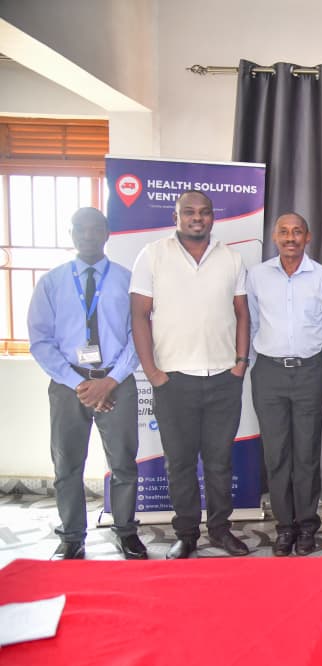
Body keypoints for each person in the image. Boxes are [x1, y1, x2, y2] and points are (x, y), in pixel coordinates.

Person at [130, 190, 251, 559]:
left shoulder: (231, 258)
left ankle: (219, 530)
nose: (197, 217)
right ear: (176, 216)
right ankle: (186, 534)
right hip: (173, 380)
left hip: (222, 378)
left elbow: (242, 313)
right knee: (179, 462)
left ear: (213, 217)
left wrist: (240, 362)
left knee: (219, 461)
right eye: (189, 212)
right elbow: (139, 315)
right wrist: (152, 372)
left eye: (204, 212)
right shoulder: (152, 255)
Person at [27, 208, 146, 560]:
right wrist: (79, 384)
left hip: (117, 381)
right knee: (67, 464)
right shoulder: (52, 282)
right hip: (68, 386)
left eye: (95, 229)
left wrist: (109, 381)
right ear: (71, 233)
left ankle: (126, 532)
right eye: (81, 229)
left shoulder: (127, 280)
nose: (88, 235)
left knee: (124, 462)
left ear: (107, 233)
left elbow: (137, 337)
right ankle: (72, 536)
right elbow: (40, 340)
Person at [246, 212, 322, 556]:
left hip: (310, 373)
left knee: (306, 455)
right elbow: (252, 325)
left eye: (297, 232)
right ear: (274, 236)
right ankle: (284, 527)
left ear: (308, 237)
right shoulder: (257, 276)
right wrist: (255, 370)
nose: (290, 238)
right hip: (268, 373)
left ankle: (306, 526)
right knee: (276, 454)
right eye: (284, 232)